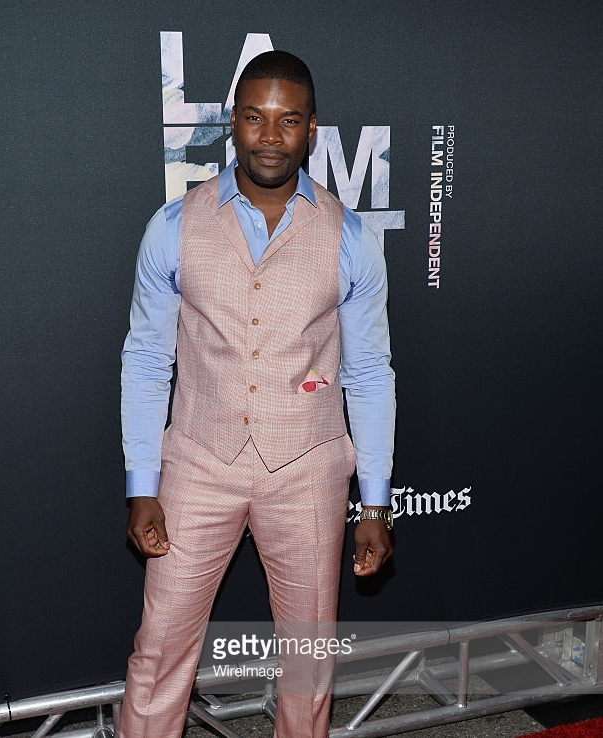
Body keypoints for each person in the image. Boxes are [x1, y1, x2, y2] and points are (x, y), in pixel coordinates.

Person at [119, 50, 396, 738]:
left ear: (310, 130)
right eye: (253, 117)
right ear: (232, 125)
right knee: (158, 653)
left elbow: (368, 373)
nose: (269, 136)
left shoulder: (351, 238)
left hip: (307, 469)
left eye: (287, 120)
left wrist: (376, 504)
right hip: (195, 467)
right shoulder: (172, 227)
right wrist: (141, 483)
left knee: (306, 666)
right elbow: (147, 358)